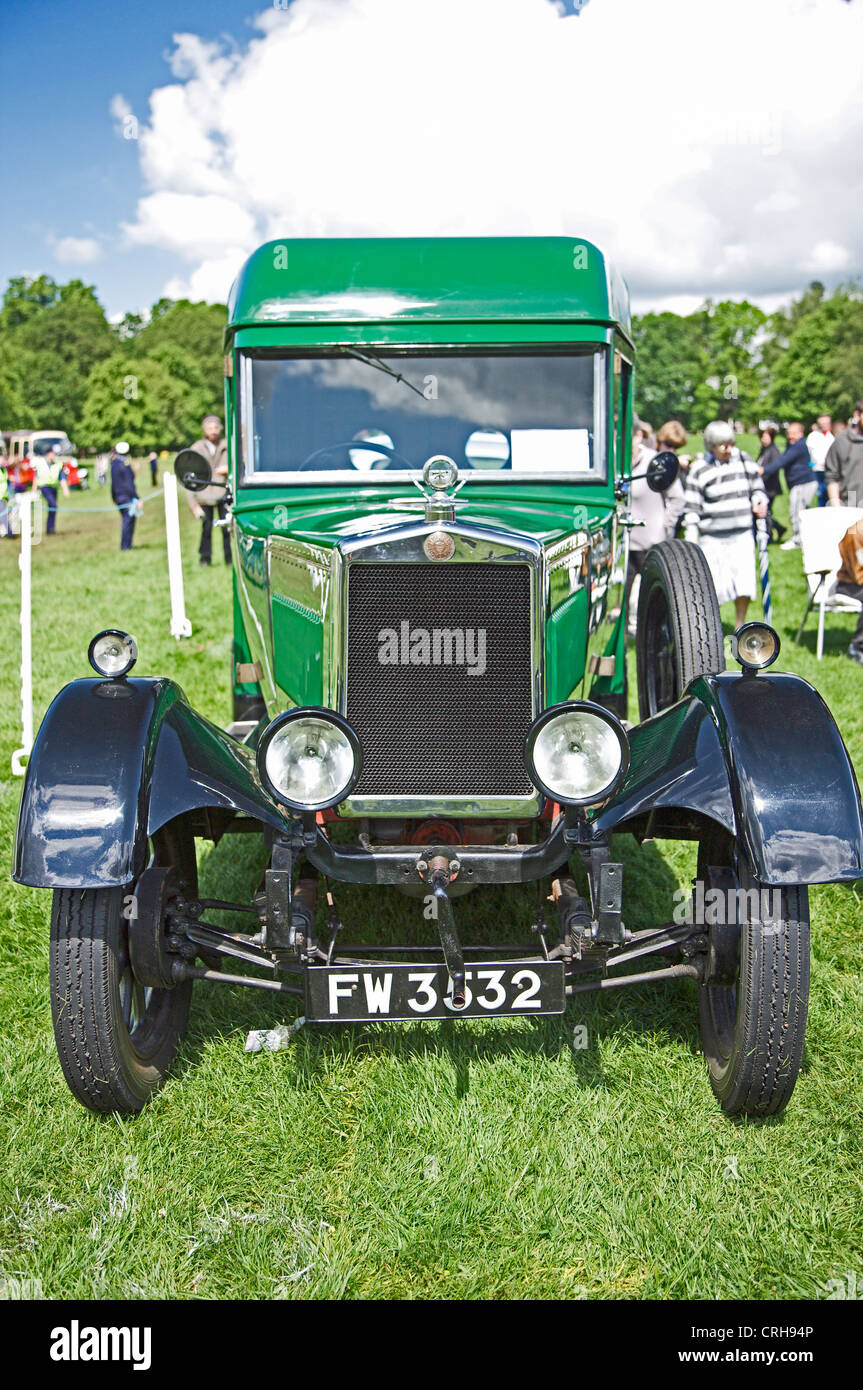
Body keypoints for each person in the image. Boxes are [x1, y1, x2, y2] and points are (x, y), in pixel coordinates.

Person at [682, 420, 768, 627]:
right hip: (713, 538)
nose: (728, 449)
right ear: (711, 445)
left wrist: (759, 501)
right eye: (722, 445)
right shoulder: (700, 470)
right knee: (712, 587)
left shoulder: (745, 462)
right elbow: (692, 509)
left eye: (730, 443)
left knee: (744, 584)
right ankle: (711, 627)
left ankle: (740, 625)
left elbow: (758, 489)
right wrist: (692, 540)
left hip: (742, 534)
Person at [625, 417, 685, 633]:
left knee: (657, 601)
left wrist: (664, 527)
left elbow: (678, 498)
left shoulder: (655, 462)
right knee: (622, 600)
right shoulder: (615, 465)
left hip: (650, 543)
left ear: (638, 436)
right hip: (625, 545)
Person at [761, 421, 816, 550]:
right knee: (795, 511)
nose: (789, 436)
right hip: (798, 484)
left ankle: (798, 539)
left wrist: (764, 470)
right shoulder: (793, 445)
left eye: (793, 433)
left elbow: (782, 461)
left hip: (803, 483)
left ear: (801, 434)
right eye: (788, 433)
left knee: (797, 512)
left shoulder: (798, 446)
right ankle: (800, 537)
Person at [186, 414, 231, 566]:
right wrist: (192, 503)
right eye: (210, 428)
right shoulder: (197, 448)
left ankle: (230, 559)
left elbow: (240, 466)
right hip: (204, 495)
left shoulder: (228, 446)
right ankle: (205, 559)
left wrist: (229, 470)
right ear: (204, 430)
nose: (213, 431)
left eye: (216, 428)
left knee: (227, 528)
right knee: (206, 529)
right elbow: (189, 477)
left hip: (222, 493)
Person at [825, 399, 863, 510]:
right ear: (857, 415)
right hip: (852, 507)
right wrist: (837, 509)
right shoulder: (842, 442)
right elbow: (832, 477)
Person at [756, 425, 786, 543]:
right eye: (762, 436)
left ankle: (770, 534)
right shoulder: (764, 449)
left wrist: (762, 473)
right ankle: (779, 529)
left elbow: (773, 468)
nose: (764, 439)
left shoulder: (773, 450)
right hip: (763, 486)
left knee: (766, 512)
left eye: (766, 436)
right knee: (766, 512)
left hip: (770, 487)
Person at [110, 441, 139, 550]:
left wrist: (113, 497)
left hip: (118, 497)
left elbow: (113, 483)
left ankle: (126, 545)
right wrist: (136, 497)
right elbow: (129, 484)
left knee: (126, 520)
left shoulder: (114, 464)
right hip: (127, 497)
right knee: (128, 521)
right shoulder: (125, 465)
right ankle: (126, 546)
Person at [32, 447, 65, 536]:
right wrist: (34, 490)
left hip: (54, 488)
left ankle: (50, 529)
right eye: (52, 454)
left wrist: (65, 490)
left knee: (53, 507)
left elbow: (62, 478)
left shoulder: (57, 464)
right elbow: (35, 477)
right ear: (47, 454)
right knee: (53, 505)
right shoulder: (40, 464)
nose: (53, 456)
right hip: (44, 487)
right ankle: (50, 528)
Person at [806, 414, 834, 508]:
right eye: (822, 423)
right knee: (821, 494)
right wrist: (812, 465)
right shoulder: (812, 436)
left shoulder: (833, 436)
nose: (824, 425)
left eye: (826, 423)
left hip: (830, 470)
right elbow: (809, 456)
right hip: (817, 470)